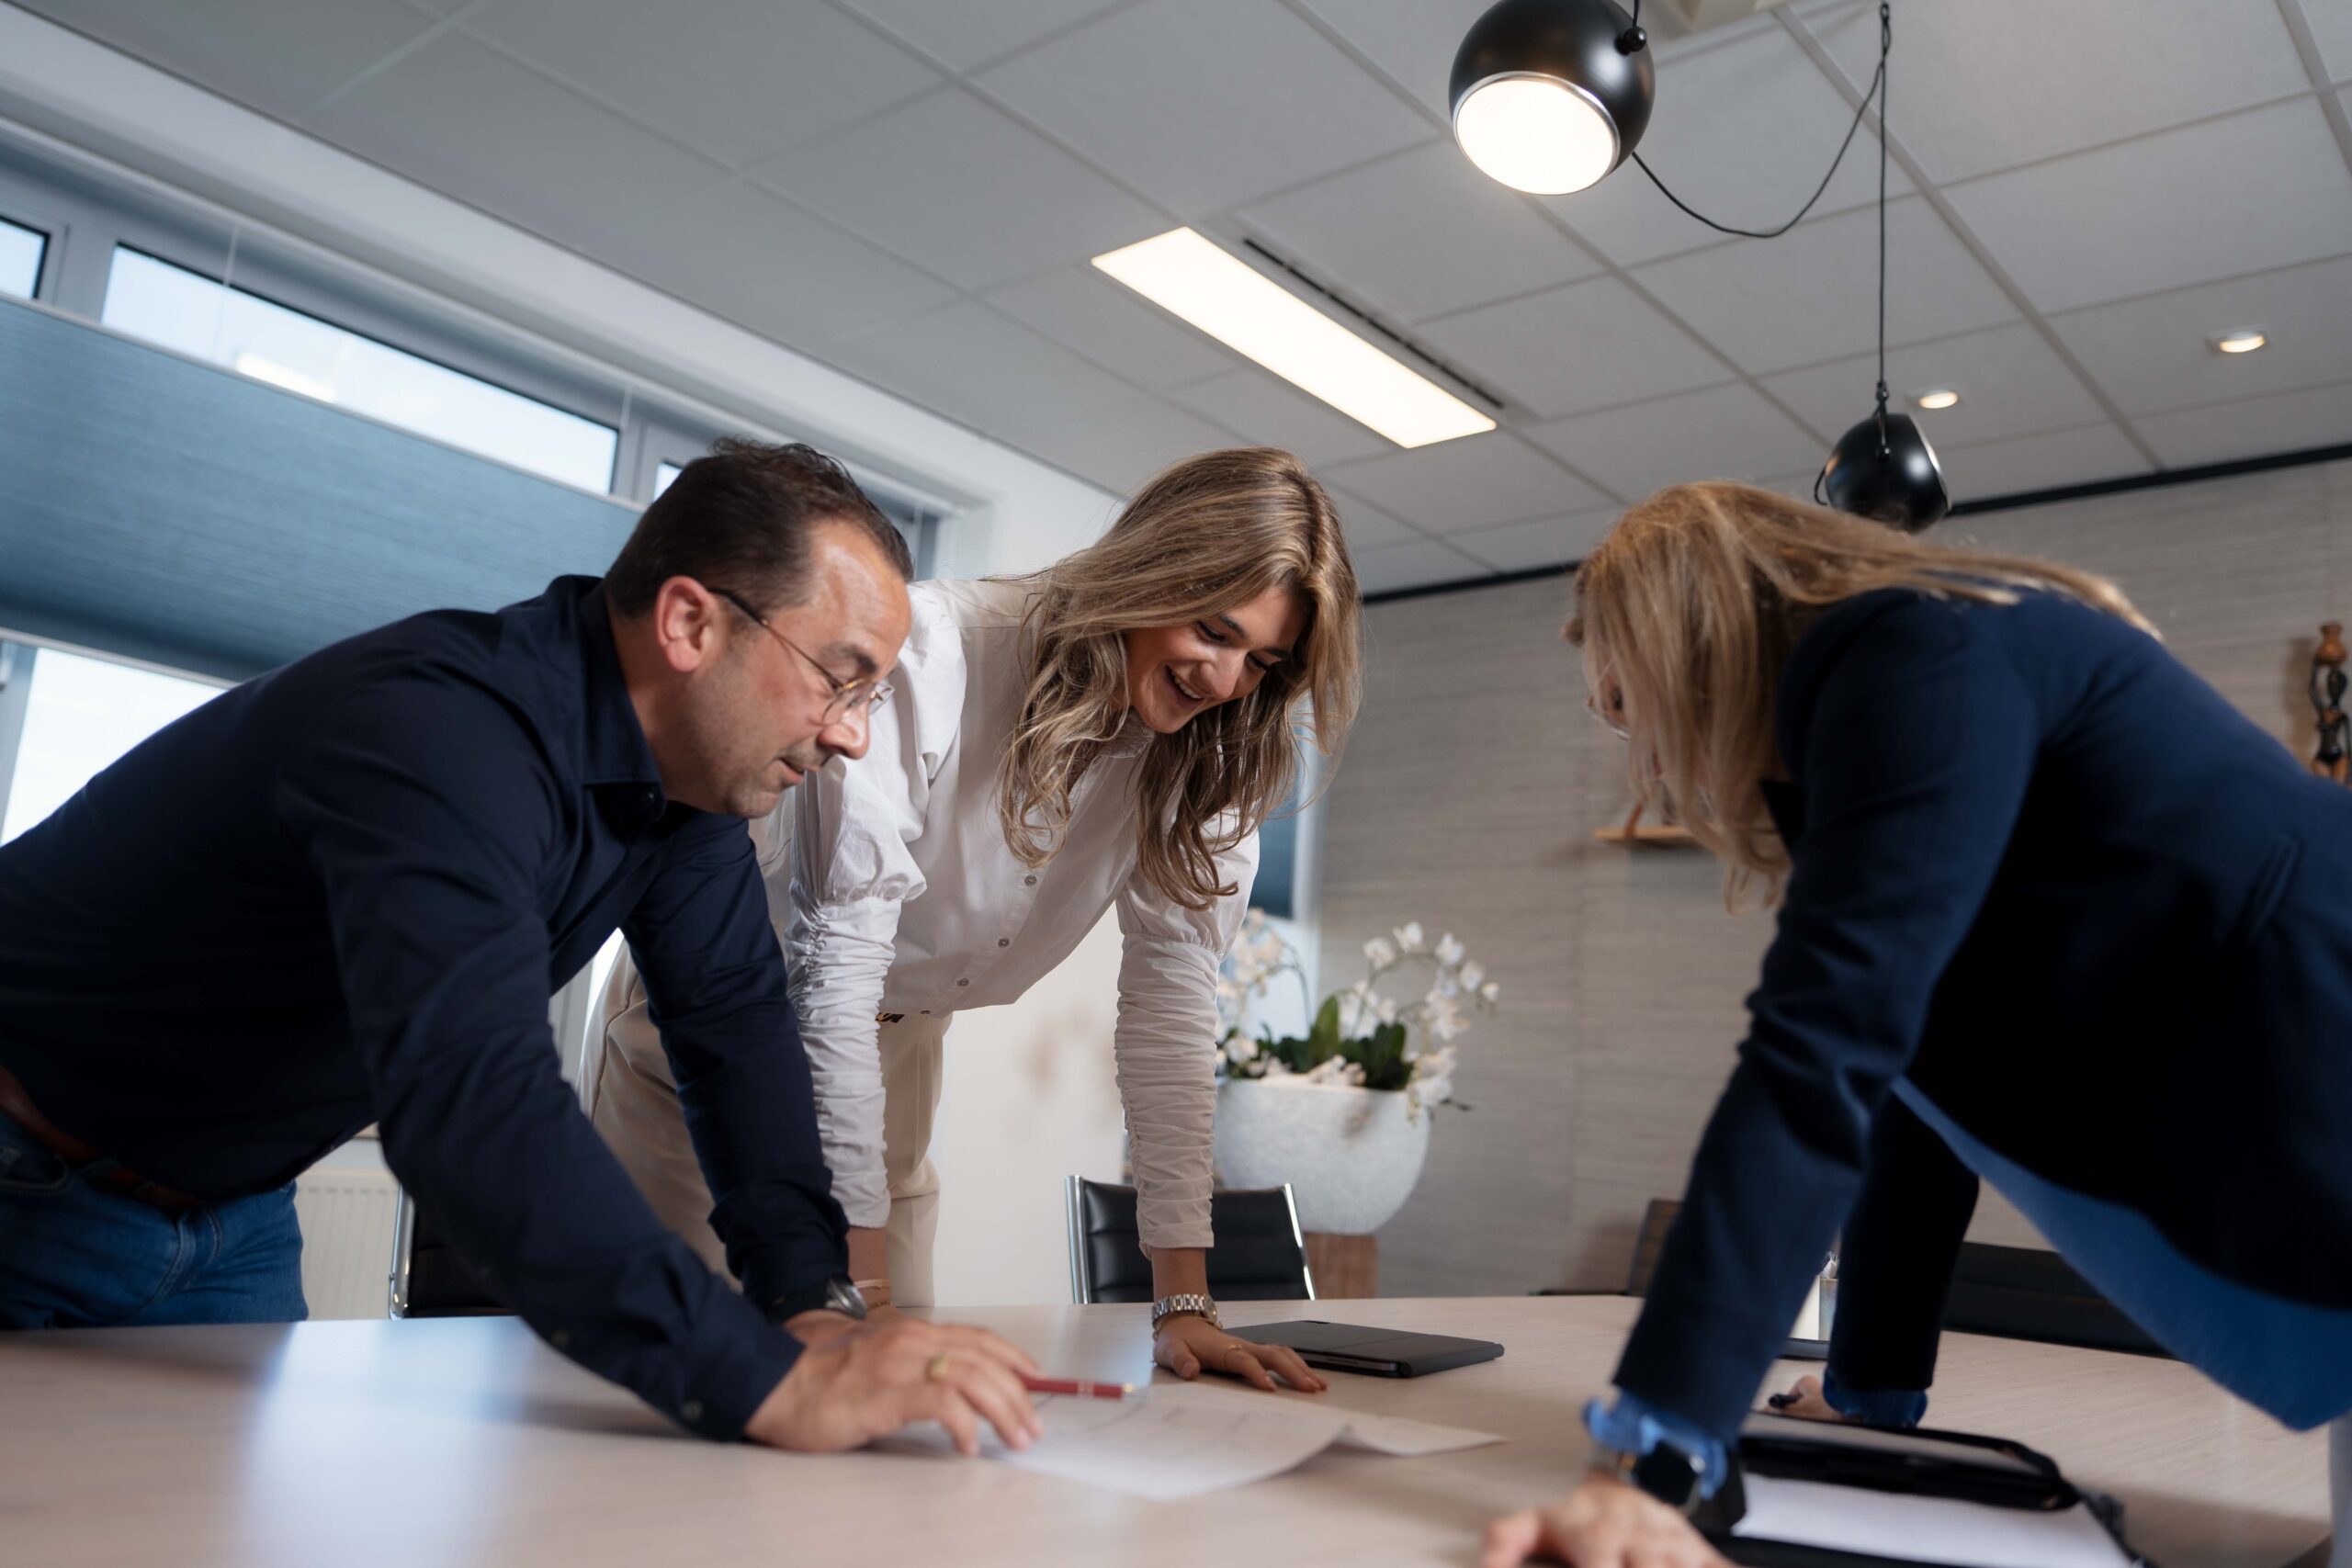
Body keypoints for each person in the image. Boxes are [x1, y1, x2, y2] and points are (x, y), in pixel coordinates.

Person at [0, 440, 1043, 1459]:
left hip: (232, 1211)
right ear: (690, 622)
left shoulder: (685, 797)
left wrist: (811, 1308)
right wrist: (770, 1380)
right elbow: (472, 1103)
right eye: (839, 679)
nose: (852, 734)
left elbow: (735, 1033)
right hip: (25, 1176)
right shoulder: (441, 736)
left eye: (869, 698)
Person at [1483, 481, 2352, 1567]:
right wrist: (1870, 1395)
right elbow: (1909, 1105)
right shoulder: (1895, 707)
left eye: (1628, 703)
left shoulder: (1912, 652)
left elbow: (1816, 1063)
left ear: (1689, 642)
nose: (1648, 762)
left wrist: (1657, 1452)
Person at [593, 446, 1360, 1392]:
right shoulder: (937, 653)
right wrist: (860, 1303)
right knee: (678, 1379)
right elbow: (838, 966)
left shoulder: (1212, 748)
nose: (1226, 679)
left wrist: (1184, 1304)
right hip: (723, 1032)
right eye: (1213, 629)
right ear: (1152, 572)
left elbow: (1172, 1005)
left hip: (897, 1049)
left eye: (1264, 662)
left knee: (897, 1396)